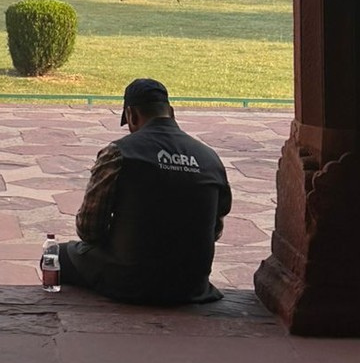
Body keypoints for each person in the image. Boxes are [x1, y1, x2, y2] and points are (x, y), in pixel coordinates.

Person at [60, 78, 233, 306]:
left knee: (56, 256)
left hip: (131, 280)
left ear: (131, 115)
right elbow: (214, 230)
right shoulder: (210, 158)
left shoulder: (119, 153)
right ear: (171, 112)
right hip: (192, 284)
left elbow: (89, 230)